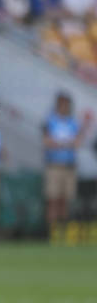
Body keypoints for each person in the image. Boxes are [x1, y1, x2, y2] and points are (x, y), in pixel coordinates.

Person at [42, 92, 91, 231]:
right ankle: (52, 231)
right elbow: (47, 141)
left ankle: (62, 231)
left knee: (65, 200)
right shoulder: (51, 120)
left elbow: (77, 142)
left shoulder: (72, 122)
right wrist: (65, 143)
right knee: (53, 199)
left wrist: (61, 143)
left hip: (69, 166)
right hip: (54, 165)